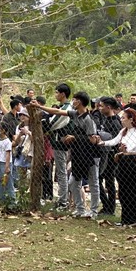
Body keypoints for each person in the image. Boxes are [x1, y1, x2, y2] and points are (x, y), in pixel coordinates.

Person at [34, 92, 101, 218]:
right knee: (74, 182)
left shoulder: (89, 119)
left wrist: (74, 137)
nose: (72, 102)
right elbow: (58, 112)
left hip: (90, 155)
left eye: (74, 100)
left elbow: (93, 140)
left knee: (93, 182)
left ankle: (93, 211)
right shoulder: (75, 114)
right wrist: (40, 107)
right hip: (78, 154)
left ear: (80, 102)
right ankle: (80, 209)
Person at [98, 107, 136, 225]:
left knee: (135, 191)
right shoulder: (124, 131)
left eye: (123, 118)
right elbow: (114, 141)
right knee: (123, 192)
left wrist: (125, 151)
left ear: (131, 119)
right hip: (123, 161)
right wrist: (102, 143)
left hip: (135, 162)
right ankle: (126, 219)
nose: (121, 120)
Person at [46, 83, 73, 211]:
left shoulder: (66, 108)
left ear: (63, 94)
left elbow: (52, 124)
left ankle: (63, 201)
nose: (56, 95)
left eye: (57, 92)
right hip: (58, 143)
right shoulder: (64, 107)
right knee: (61, 172)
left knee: (61, 172)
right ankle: (63, 199)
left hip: (60, 144)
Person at [96, 96, 122, 216]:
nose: (99, 108)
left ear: (108, 107)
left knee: (108, 181)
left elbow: (116, 141)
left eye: (101, 106)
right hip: (103, 154)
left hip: (110, 156)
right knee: (101, 180)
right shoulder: (105, 119)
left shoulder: (115, 122)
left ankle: (109, 207)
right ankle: (107, 205)